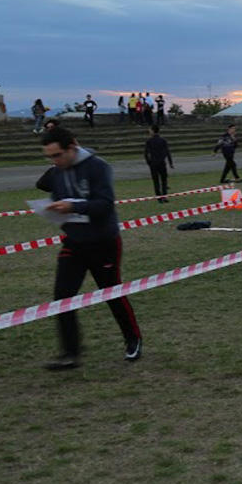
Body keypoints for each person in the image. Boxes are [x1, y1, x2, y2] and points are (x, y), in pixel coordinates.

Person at [36, 126, 142, 369]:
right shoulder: (57, 171)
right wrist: (53, 205)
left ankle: (133, 339)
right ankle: (70, 353)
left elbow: (104, 205)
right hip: (74, 242)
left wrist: (73, 207)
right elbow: (48, 189)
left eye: (57, 155)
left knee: (111, 293)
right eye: (49, 157)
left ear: (72, 147)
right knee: (62, 297)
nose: (54, 161)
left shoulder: (98, 167)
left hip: (103, 242)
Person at [144, 124, 173, 202]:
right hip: (162, 162)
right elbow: (167, 152)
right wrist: (170, 162)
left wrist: (148, 162)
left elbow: (146, 153)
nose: (149, 131)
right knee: (164, 180)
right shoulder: (163, 140)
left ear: (153, 131)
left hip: (153, 163)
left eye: (150, 130)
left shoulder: (149, 141)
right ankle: (165, 196)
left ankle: (159, 197)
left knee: (156, 181)